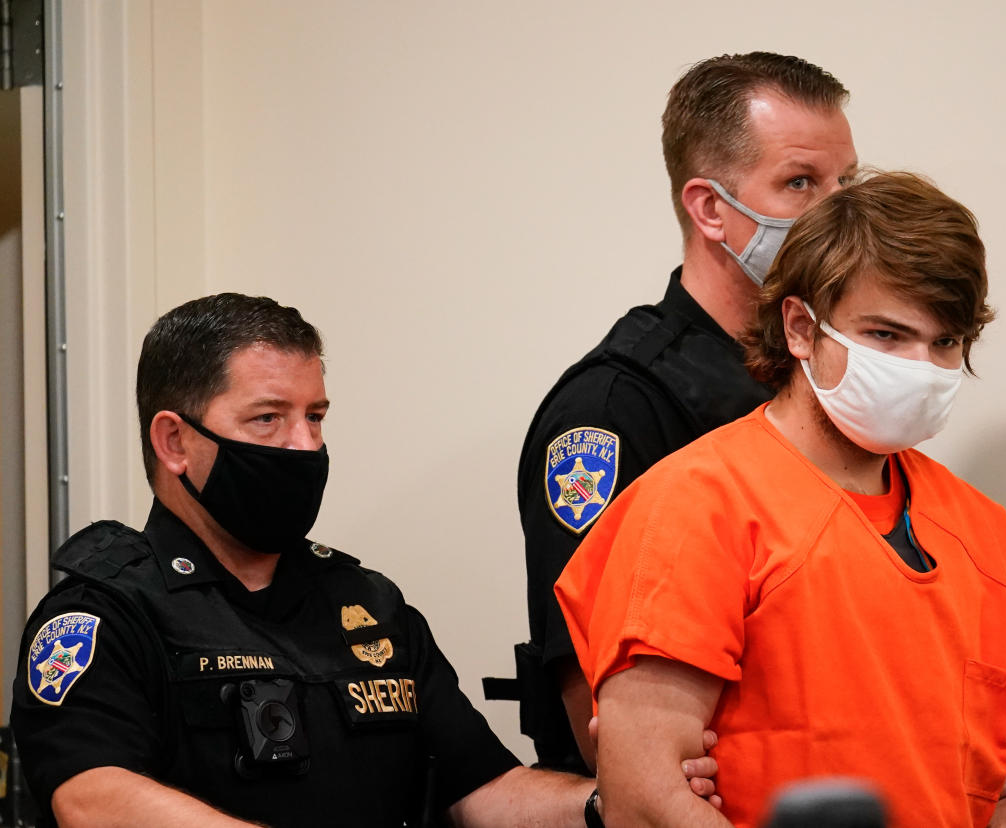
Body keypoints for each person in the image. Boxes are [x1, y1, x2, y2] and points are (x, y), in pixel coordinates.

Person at [10, 293, 715, 827]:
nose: (304, 446)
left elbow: (483, 790)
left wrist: (612, 801)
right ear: (174, 442)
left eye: (314, 416)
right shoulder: (105, 613)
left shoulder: (367, 604)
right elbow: (91, 795)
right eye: (267, 418)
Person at [556, 172, 1006, 828]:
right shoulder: (696, 507)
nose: (921, 368)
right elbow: (645, 798)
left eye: (946, 342)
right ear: (800, 328)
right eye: (886, 335)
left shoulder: (985, 536)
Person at [512, 51, 858, 775]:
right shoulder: (615, 411)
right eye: (801, 184)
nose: (838, 215)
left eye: (845, 184)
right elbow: (595, 702)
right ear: (709, 209)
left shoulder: (827, 376)